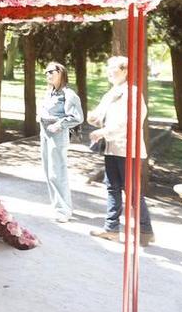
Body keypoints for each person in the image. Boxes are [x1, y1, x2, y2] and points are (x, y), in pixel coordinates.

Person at [87, 55, 154, 245]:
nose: (109, 71)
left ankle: (145, 229)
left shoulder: (132, 93)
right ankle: (112, 229)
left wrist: (103, 131)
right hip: (111, 148)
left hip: (127, 150)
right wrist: (93, 118)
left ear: (125, 71)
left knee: (131, 191)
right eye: (108, 68)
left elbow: (129, 122)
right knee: (112, 188)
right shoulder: (110, 94)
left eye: (114, 68)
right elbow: (100, 116)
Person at [39, 61, 83, 222]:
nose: (48, 75)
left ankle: (63, 211)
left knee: (57, 172)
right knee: (48, 172)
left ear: (61, 73)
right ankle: (58, 205)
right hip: (44, 132)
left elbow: (77, 117)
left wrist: (59, 124)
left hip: (57, 135)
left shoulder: (68, 94)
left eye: (51, 71)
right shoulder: (50, 92)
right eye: (46, 72)